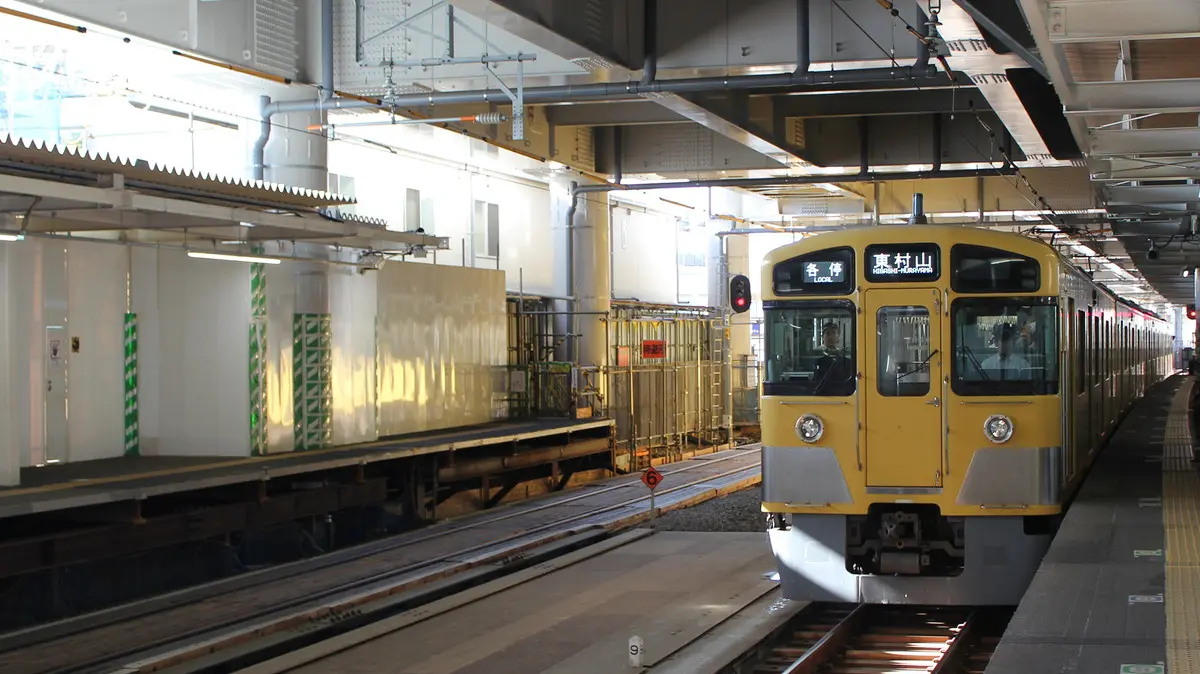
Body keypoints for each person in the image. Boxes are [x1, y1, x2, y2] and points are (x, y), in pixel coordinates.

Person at [813, 322, 854, 394]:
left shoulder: (846, 360)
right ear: (823, 337)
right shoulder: (815, 356)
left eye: (834, 333)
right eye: (828, 333)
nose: (831, 336)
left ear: (838, 338)